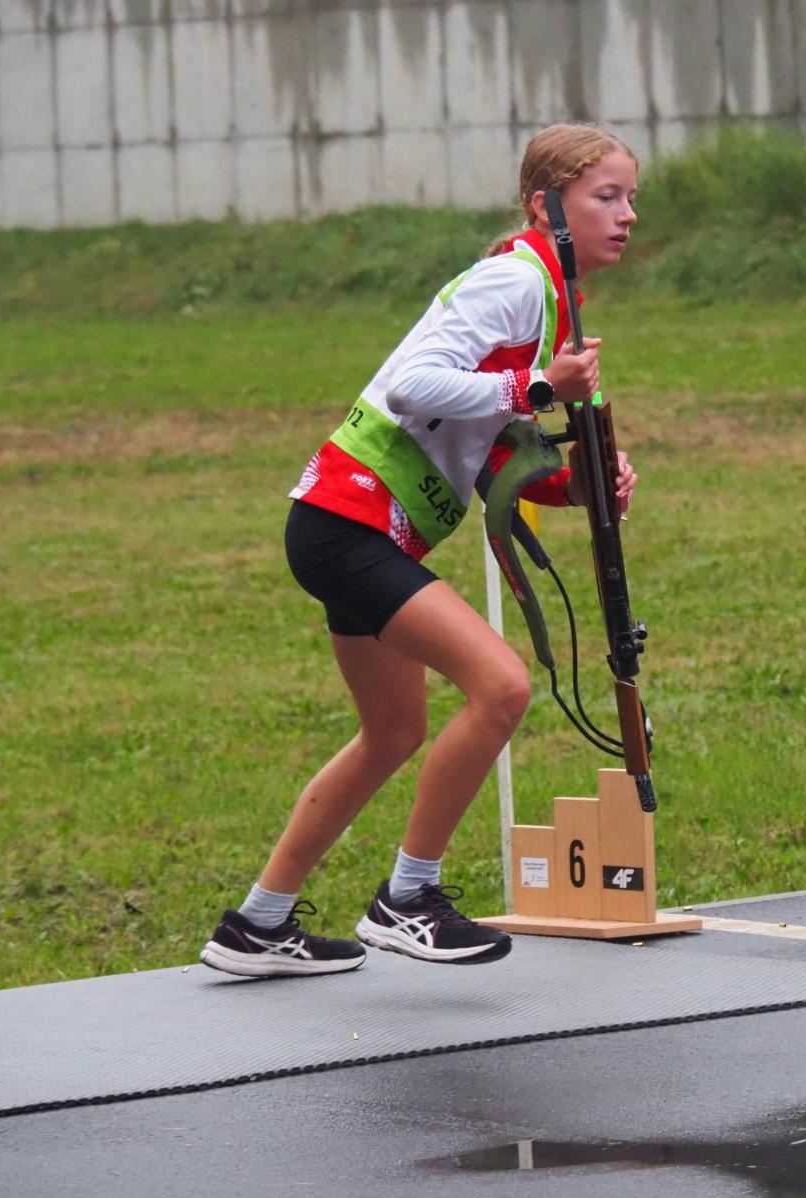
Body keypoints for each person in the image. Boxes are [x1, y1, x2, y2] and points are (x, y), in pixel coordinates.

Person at [199, 123, 640, 976]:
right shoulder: (515, 281)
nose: (627, 216)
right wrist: (542, 385)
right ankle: (409, 898)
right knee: (503, 686)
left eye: (630, 199)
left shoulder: (544, 295)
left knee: (394, 729)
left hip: (347, 525)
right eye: (605, 197)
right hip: (347, 522)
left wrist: (582, 484)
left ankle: (257, 924)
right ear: (545, 206)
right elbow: (413, 384)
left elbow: (492, 451)